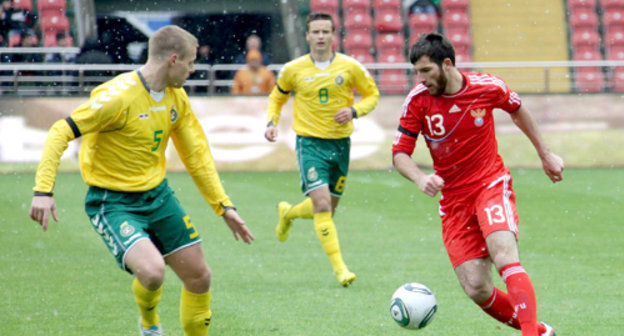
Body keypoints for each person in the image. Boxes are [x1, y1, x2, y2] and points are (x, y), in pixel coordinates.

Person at [29, 25, 255, 336]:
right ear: (172, 60)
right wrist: (43, 190)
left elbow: (197, 155)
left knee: (200, 276)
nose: (193, 70)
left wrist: (224, 206)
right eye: (190, 63)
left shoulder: (176, 98)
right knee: (152, 272)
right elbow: (60, 131)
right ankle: (149, 324)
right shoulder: (117, 98)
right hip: (113, 201)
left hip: (158, 196)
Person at [392, 32, 563, 336]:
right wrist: (420, 177)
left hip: (490, 184)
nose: (420, 79)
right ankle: (540, 331)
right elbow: (400, 153)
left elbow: (517, 109)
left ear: (447, 64)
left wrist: (545, 153)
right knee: (476, 287)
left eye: (426, 71)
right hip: (454, 200)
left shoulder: (487, 87)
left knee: (504, 255)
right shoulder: (417, 101)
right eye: (416, 71)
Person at [264, 12, 379, 287]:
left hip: (340, 145)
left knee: (328, 209)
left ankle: (288, 213)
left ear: (333, 35)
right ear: (307, 36)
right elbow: (277, 97)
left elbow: (373, 95)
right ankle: (341, 270)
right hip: (309, 143)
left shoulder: (350, 67)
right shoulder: (293, 69)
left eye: (325, 32)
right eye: (315, 32)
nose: (320, 37)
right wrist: (272, 122)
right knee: (323, 204)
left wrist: (354, 110)